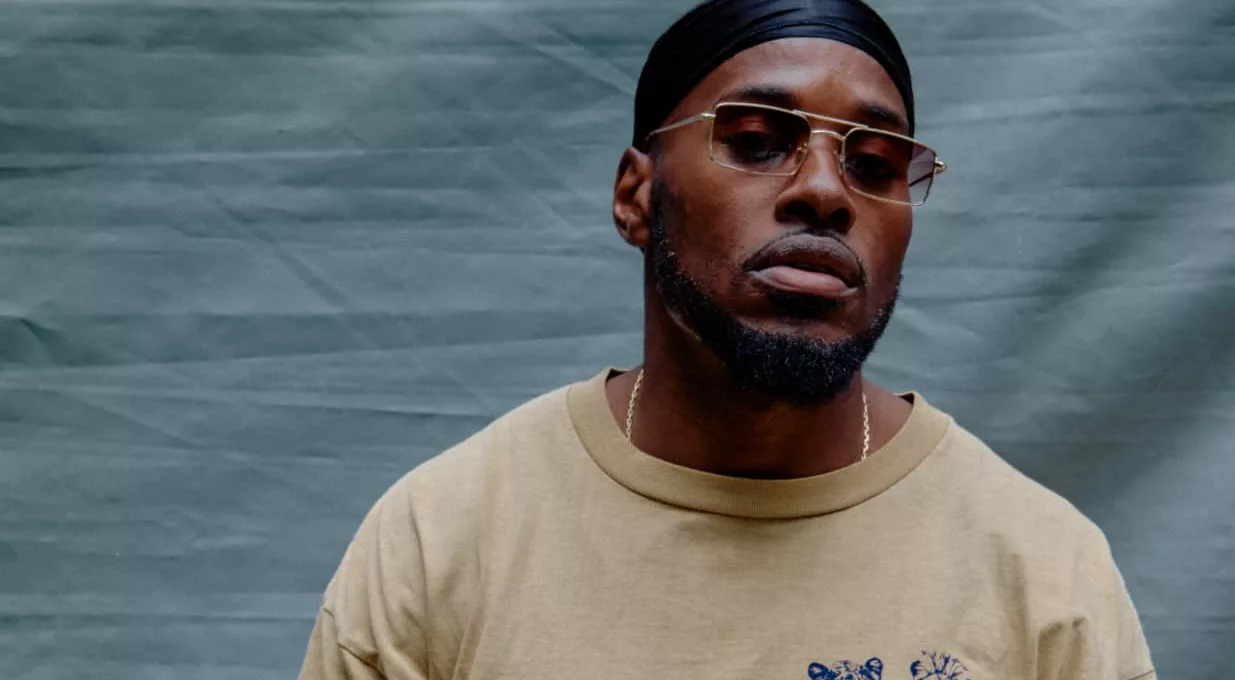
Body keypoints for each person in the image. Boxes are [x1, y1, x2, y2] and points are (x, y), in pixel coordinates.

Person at [297, 1, 1158, 679]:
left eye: (873, 164)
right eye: (755, 142)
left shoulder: (1043, 572)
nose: (825, 191)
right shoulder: (443, 540)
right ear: (637, 196)